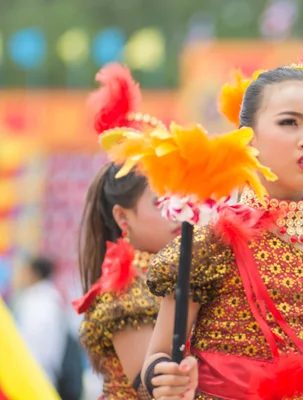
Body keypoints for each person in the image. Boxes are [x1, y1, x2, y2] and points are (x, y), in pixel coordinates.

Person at [142, 6, 303, 399]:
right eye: (289, 122)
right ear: (249, 137)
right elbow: (157, 359)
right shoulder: (210, 237)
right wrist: (163, 377)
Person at [72, 65, 182, 399]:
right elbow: (154, 390)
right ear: (123, 216)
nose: (176, 212)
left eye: (179, 199)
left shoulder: (173, 272)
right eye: (160, 202)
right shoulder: (125, 290)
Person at [12, 257, 66, 389]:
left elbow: (32, 341)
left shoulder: (37, 301)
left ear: (34, 273)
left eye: (26, 271)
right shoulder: (50, 299)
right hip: (42, 372)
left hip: (35, 373)